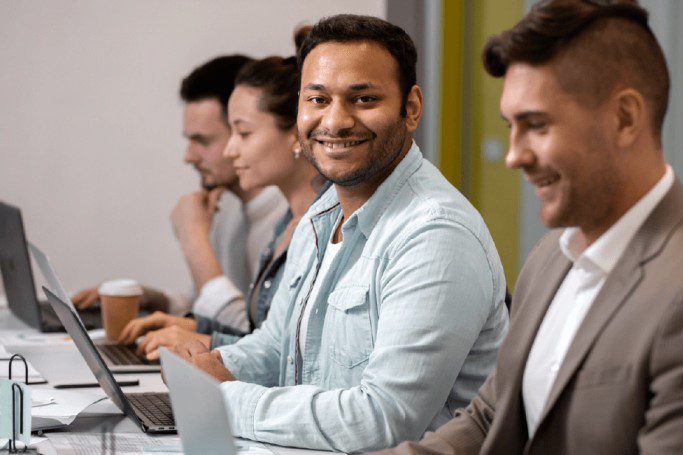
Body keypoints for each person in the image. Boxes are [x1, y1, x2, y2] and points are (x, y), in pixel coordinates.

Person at [380, 1, 683, 453]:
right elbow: (490, 417)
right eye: (511, 127)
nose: (514, 155)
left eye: (536, 125)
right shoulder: (552, 255)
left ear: (624, 118)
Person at [171, 14, 509, 452]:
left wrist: (221, 400)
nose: (335, 121)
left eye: (363, 98)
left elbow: (384, 420)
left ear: (411, 108)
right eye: (317, 99)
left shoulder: (435, 234)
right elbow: (278, 348)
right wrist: (213, 365)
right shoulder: (321, 215)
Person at [120, 29, 329, 358]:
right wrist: (193, 325)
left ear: (296, 133)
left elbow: (283, 355)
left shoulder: (319, 225)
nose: (232, 149)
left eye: (242, 133)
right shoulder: (281, 220)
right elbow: (260, 332)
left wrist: (193, 239)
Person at [72, 56, 288, 336]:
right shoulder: (228, 206)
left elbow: (254, 336)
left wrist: (193, 240)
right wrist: (152, 300)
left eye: (202, 141)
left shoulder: (290, 218)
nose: (188, 157)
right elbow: (208, 306)